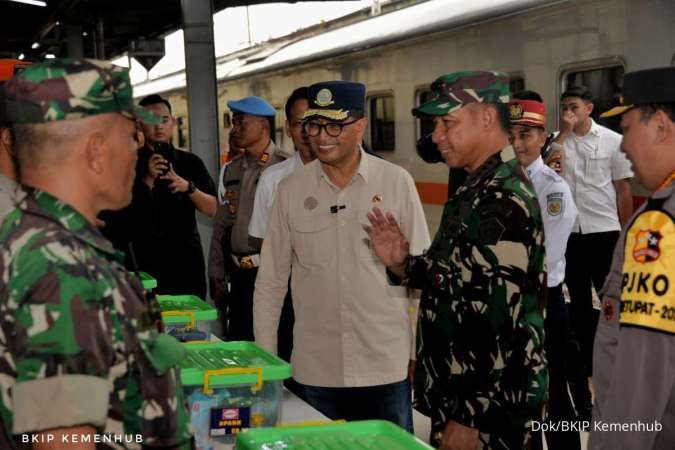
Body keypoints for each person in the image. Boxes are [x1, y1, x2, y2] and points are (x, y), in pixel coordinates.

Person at [0, 59, 191, 449]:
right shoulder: (63, 271)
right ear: (96, 150)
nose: (137, 149)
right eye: (130, 136)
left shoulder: (31, 236)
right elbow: (63, 441)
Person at [364, 71, 547, 449]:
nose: (436, 136)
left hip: (491, 412)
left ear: (485, 117)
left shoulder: (502, 198)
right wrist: (404, 264)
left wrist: (469, 417)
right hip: (463, 394)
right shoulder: (476, 185)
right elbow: (456, 279)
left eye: (447, 123)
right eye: (435, 125)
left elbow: (498, 315)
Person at [253, 80, 430, 432]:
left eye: (335, 125)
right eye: (314, 125)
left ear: (361, 125)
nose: (322, 136)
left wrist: (417, 354)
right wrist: (268, 363)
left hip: (384, 364)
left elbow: (422, 280)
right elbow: (271, 283)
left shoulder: (396, 183)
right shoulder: (290, 191)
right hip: (315, 370)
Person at [589, 67, 675, 450]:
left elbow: (642, 371)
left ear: (659, 126)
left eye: (626, 129)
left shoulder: (658, 225)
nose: (623, 146)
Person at [554, 85, 634, 418]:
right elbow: (545, 174)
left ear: (589, 107)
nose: (568, 112)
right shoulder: (558, 143)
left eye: (573, 106)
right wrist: (562, 136)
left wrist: (627, 236)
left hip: (604, 232)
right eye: (563, 107)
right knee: (580, 306)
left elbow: (623, 191)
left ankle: (618, 363)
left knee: (611, 300)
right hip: (571, 234)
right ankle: (589, 367)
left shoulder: (614, 142)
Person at [509, 94, 580, 450]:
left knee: (553, 391)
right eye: (515, 135)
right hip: (515, 302)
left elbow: (548, 252)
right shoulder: (504, 181)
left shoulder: (554, 190)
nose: (520, 143)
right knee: (523, 391)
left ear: (541, 138)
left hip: (545, 302)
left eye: (527, 135)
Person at [101, 94, 217, 300]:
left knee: (190, 330)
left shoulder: (190, 162)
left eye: (164, 120)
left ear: (173, 122)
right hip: (143, 267)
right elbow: (115, 220)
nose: (159, 126)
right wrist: (147, 179)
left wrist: (188, 187)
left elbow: (213, 208)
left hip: (186, 266)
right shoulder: (125, 165)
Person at [208, 96, 287, 341]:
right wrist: (216, 271)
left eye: (241, 122)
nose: (235, 129)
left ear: (263, 125)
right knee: (240, 341)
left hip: (271, 272)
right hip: (239, 276)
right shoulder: (230, 170)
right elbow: (221, 224)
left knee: (274, 343)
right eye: (234, 122)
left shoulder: (284, 167)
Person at [248, 87, 313, 364]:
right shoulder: (274, 179)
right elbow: (262, 240)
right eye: (300, 123)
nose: (310, 132)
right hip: (287, 296)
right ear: (288, 128)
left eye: (318, 122)